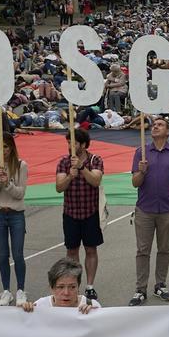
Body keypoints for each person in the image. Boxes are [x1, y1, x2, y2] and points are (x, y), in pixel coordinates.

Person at [130, 116, 169, 306]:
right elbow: (135, 183)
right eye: (154, 125)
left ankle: (160, 285)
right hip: (145, 210)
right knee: (143, 250)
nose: (155, 127)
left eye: (159, 125)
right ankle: (140, 289)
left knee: (164, 249)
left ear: (168, 131)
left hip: (168, 210)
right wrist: (141, 171)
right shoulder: (141, 152)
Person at [56, 128, 104, 302]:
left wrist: (82, 168)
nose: (70, 145)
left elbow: (95, 181)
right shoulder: (63, 162)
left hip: (90, 212)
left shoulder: (95, 160)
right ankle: (73, 283)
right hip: (70, 213)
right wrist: (70, 175)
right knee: (72, 251)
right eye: (68, 142)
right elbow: (59, 187)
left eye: (73, 142)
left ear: (83, 145)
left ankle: (90, 286)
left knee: (91, 249)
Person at [0, 132, 29, 306]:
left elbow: (20, 194)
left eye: (5, 146)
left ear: (11, 147)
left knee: (18, 254)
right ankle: (6, 291)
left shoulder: (21, 165)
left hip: (16, 214)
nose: (2, 150)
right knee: (3, 254)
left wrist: (8, 183)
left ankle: (21, 289)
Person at [18, 258, 101, 313]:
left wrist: (94, 317)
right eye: (60, 287)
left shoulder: (92, 306)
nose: (66, 293)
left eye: (72, 287)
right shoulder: (40, 306)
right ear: (52, 288)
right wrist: (23, 313)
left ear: (78, 287)